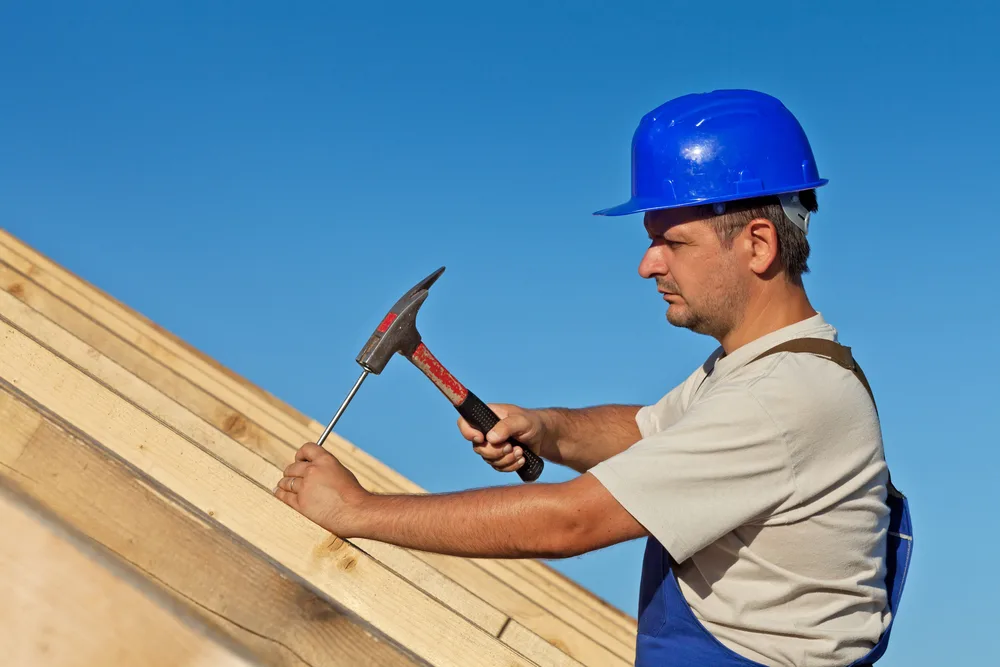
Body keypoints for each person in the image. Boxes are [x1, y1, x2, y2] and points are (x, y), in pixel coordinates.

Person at [274, 89, 911, 666]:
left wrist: (355, 511)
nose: (646, 264)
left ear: (758, 244)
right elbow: (647, 435)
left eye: (673, 242)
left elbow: (567, 523)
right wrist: (546, 429)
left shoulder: (785, 398)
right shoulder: (757, 369)